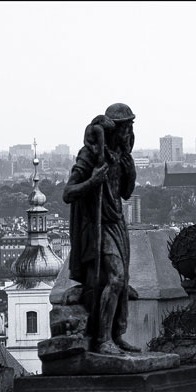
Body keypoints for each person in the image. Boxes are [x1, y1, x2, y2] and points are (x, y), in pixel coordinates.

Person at [63, 103, 140, 355]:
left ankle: (117, 335)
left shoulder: (120, 156)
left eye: (131, 128)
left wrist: (130, 170)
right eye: (125, 128)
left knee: (122, 279)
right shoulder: (90, 154)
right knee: (116, 278)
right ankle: (103, 339)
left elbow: (126, 193)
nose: (128, 134)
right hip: (97, 226)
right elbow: (68, 193)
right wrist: (93, 180)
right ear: (114, 129)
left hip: (117, 222)